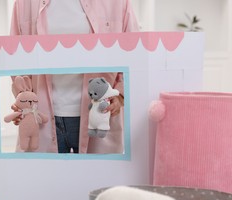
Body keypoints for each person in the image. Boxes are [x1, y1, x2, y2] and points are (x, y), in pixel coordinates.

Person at [9, 0, 140, 154]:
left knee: (97, 177)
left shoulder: (118, 3)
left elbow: (135, 52)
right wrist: (23, 99)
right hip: (42, 117)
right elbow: (15, 56)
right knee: (42, 177)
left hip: (99, 116)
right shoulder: (25, 3)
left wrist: (120, 96)